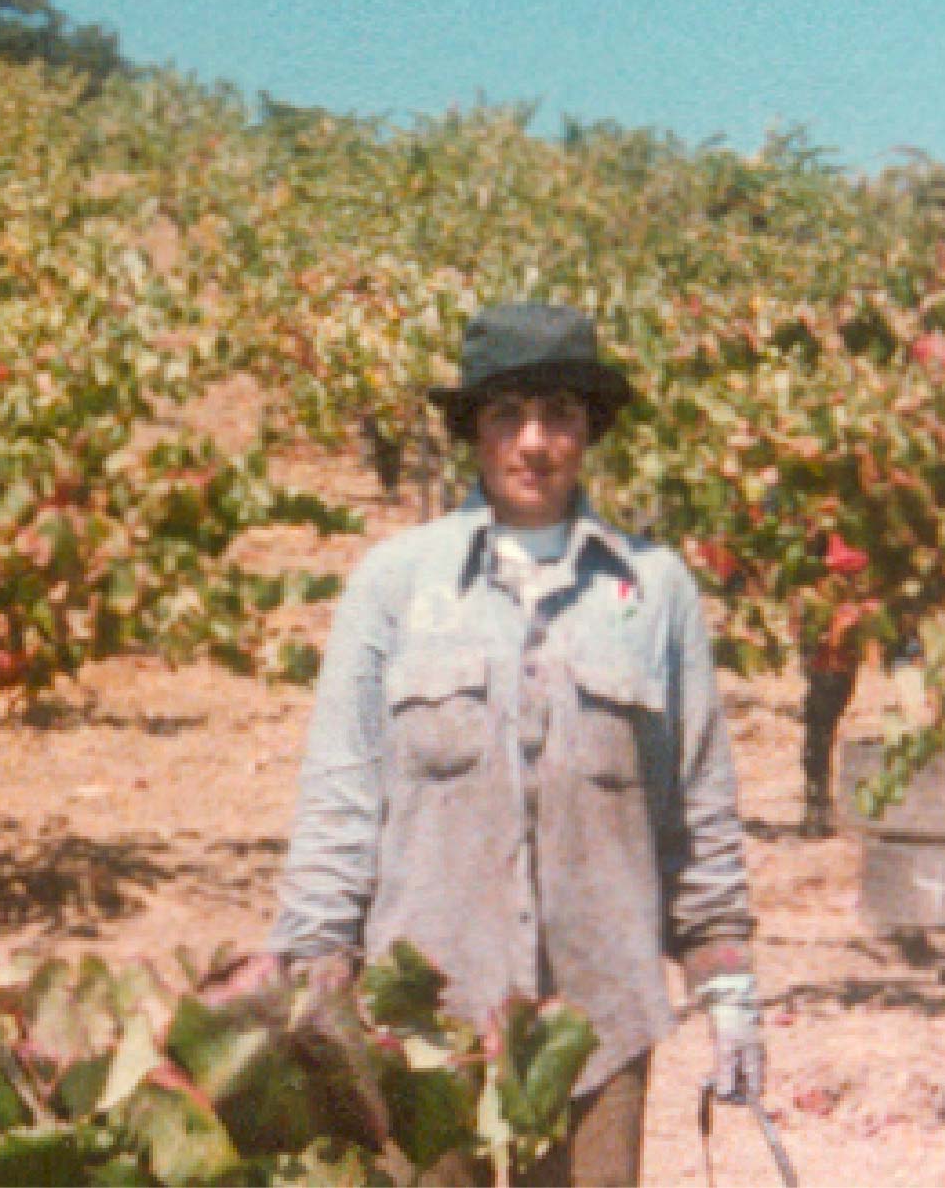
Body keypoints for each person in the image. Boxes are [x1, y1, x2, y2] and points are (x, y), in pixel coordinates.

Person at [264, 302, 762, 1186]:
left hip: (598, 1023)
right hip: (422, 1028)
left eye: (559, 414)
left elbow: (698, 810)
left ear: (589, 430)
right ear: (475, 434)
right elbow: (340, 795)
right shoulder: (396, 584)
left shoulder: (654, 590)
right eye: (507, 415)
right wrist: (315, 969)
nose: (533, 442)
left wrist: (726, 990)